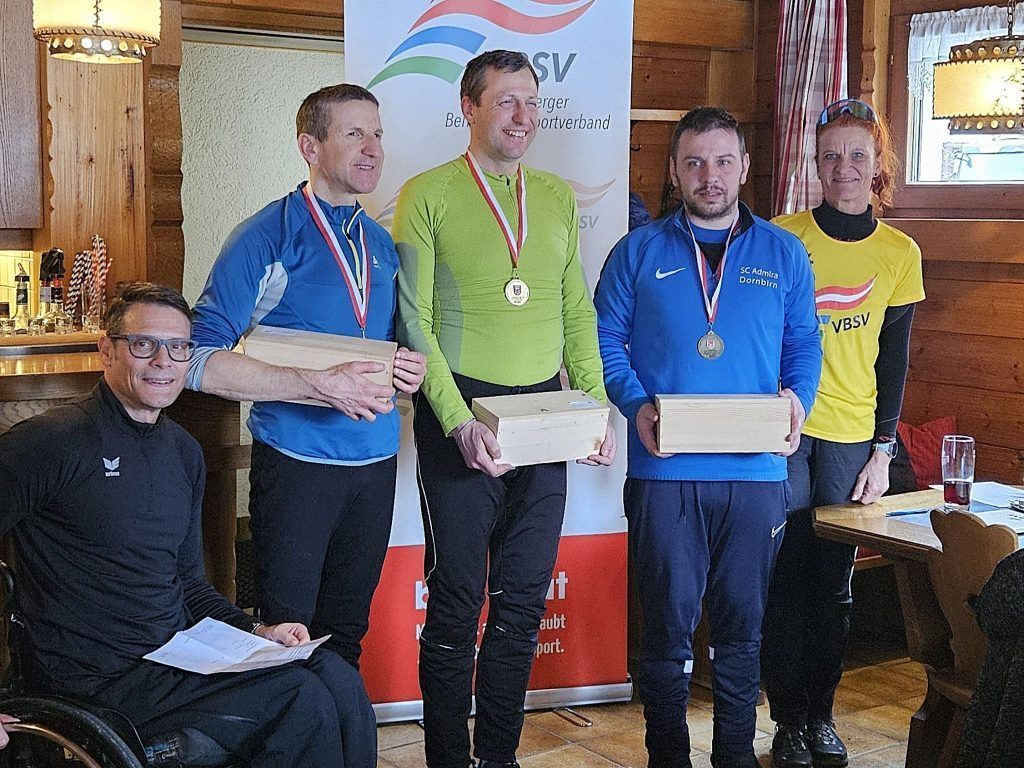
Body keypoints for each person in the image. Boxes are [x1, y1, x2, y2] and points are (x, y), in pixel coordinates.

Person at [0, 283, 375, 766]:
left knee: (336, 676)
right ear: (107, 350)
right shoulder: (52, 443)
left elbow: (188, 585)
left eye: (178, 347)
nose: (163, 361)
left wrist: (256, 631)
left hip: (175, 659)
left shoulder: (183, 452)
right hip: (95, 679)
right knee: (300, 700)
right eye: (144, 344)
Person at [392, 49, 615, 768]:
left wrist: (595, 405)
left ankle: (499, 757)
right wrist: (456, 419)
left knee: (521, 606)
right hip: (460, 413)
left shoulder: (553, 196)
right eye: (507, 101)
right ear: (470, 107)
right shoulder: (426, 193)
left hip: (545, 417)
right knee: (457, 605)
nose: (524, 116)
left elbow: (575, 310)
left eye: (532, 101)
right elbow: (415, 319)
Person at [594, 106, 822, 768]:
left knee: (742, 633)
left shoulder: (783, 252)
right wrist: (635, 405)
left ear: (745, 167)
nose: (709, 175)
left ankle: (734, 756)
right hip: (665, 473)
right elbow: (605, 339)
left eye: (723, 161)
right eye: (694, 162)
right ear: (673, 171)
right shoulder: (637, 251)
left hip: (756, 473)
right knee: (666, 635)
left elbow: (804, 342)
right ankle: (667, 755)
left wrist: (798, 401)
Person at [186, 84, 426, 672]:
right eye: (354, 134)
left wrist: (407, 369)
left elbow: (382, 349)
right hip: (297, 467)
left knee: (347, 635)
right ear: (309, 147)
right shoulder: (264, 237)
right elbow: (195, 359)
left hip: (375, 466)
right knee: (286, 637)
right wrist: (317, 385)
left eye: (377, 135)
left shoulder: (380, 243)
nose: (373, 149)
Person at [761, 98, 925, 768]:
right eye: (831, 155)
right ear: (815, 163)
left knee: (832, 587)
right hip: (785, 435)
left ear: (877, 163)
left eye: (858, 154)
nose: (844, 167)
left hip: (853, 442)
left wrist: (883, 452)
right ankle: (787, 723)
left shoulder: (900, 253)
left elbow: (894, 362)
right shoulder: (781, 237)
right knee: (783, 580)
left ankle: (821, 718)